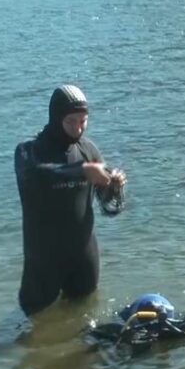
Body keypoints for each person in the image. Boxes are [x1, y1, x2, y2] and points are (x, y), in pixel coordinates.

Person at [14, 85, 126, 316]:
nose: (78, 128)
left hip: (83, 254)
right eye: (71, 121)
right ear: (56, 118)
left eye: (83, 121)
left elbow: (108, 207)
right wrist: (82, 171)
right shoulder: (28, 151)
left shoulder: (88, 150)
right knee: (35, 320)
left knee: (84, 316)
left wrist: (113, 188)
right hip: (43, 258)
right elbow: (40, 173)